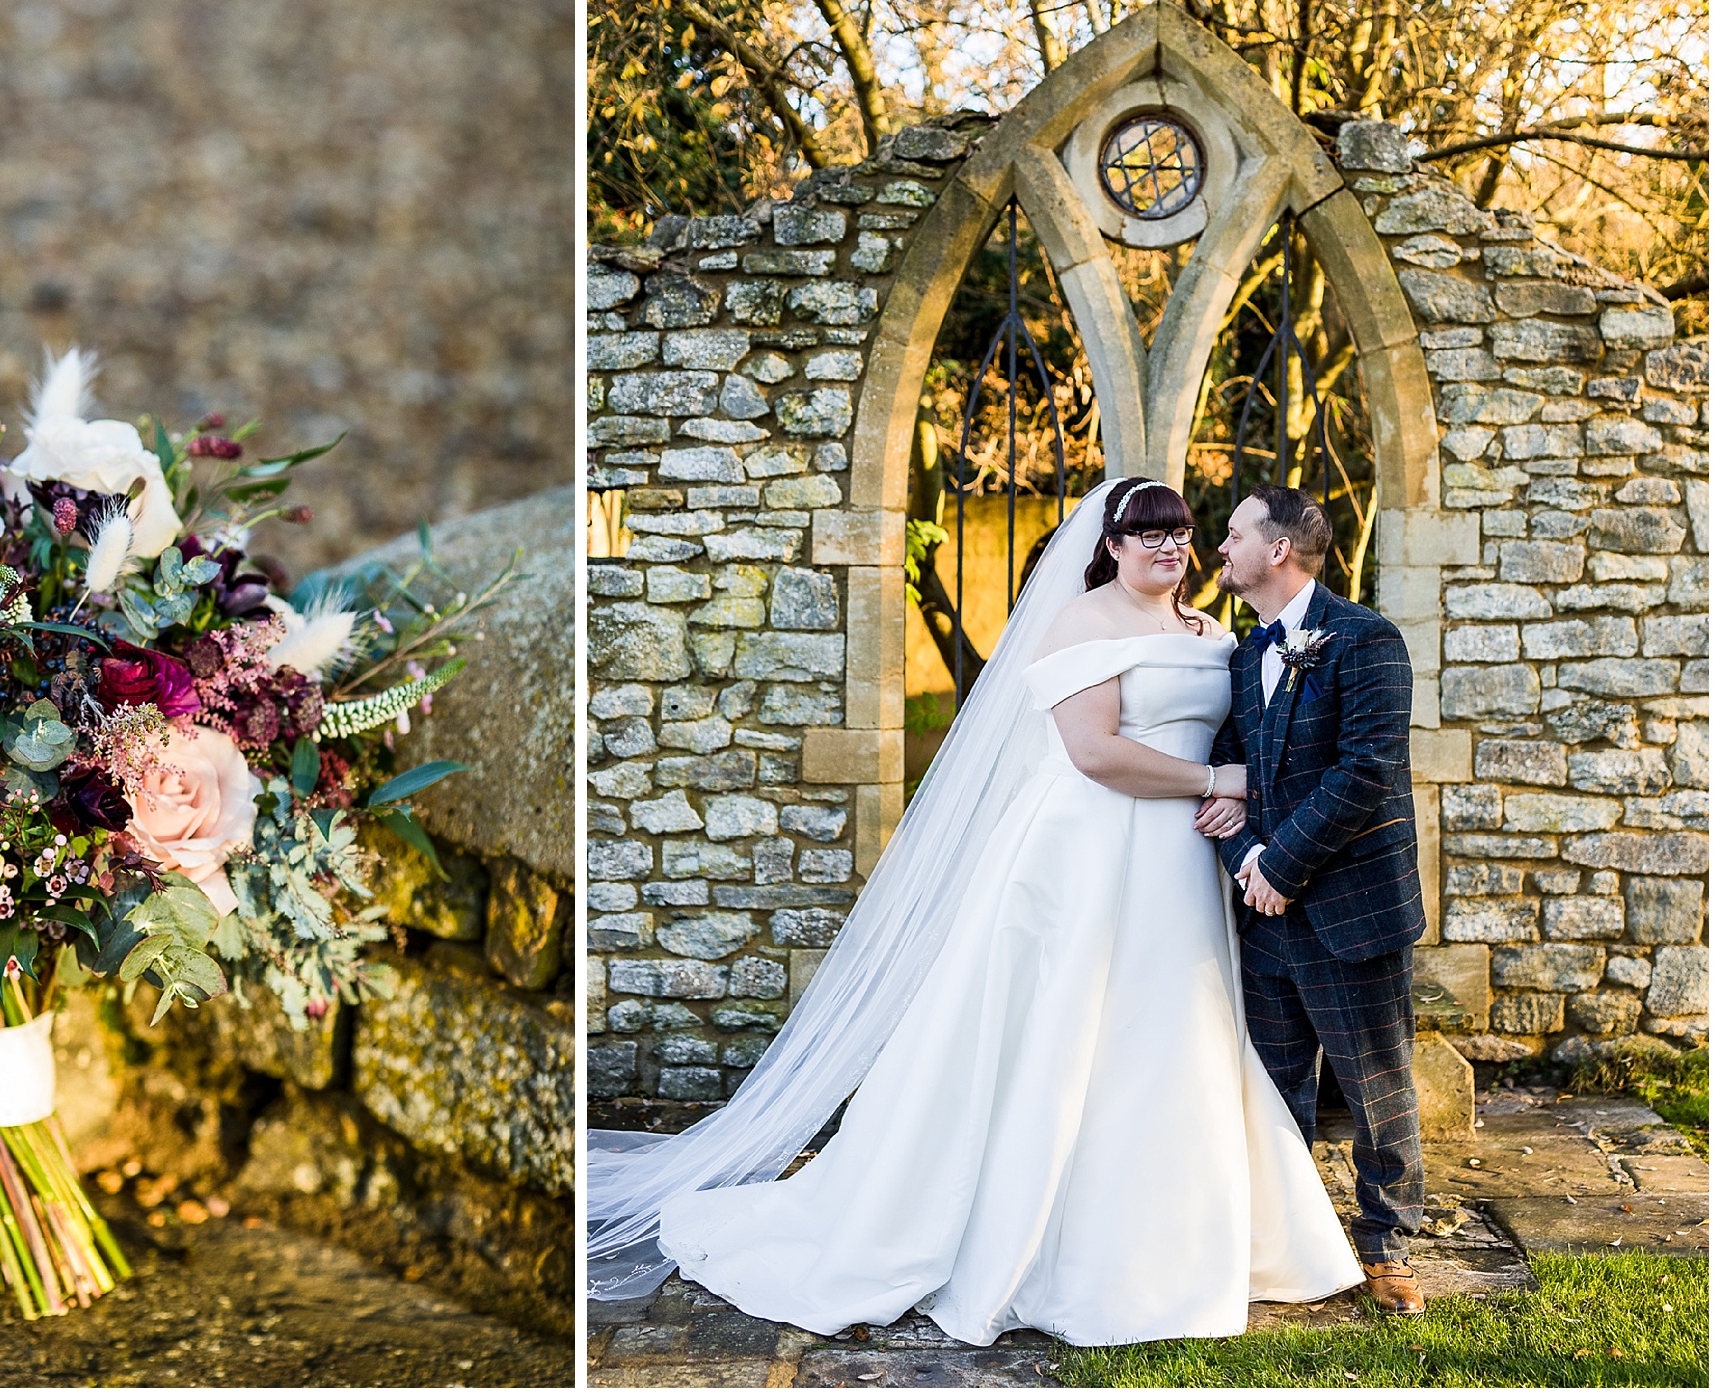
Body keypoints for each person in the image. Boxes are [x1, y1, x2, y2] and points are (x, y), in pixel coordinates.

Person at [587, 476, 1362, 1345]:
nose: (1169, 547)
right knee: (1062, 1031)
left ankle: (1179, 1233)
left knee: (1168, 1031)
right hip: (1091, 849)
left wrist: (1234, 797)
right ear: (1109, 545)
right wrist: (1214, 782)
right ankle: (1031, 1241)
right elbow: (1096, 752)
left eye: (1179, 532)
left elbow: (1233, 738)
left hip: (1180, 863)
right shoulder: (1083, 623)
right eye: (1146, 534)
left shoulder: (1214, 633)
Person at [1194, 486, 1427, 1314]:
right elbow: (1223, 779)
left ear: (1279, 549)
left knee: (1378, 1091)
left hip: (1350, 908)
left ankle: (1387, 1246)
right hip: (1264, 913)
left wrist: (1280, 864)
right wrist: (1248, 856)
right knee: (1274, 1084)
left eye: (1232, 534)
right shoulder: (1240, 655)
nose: (1218, 547)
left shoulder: (1368, 640)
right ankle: (1292, 1243)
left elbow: (1363, 774)